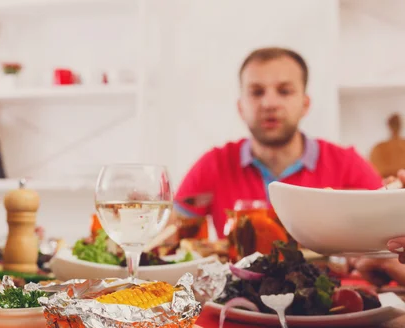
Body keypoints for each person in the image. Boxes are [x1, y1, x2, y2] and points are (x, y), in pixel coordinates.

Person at [173, 47, 383, 239]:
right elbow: (167, 238)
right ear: (240, 107)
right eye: (256, 92)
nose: (269, 103)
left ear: (305, 104)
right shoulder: (214, 164)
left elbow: (387, 238)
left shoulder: (347, 165)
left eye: (284, 91)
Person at [369, 113, 405, 178]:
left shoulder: (378, 148)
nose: (395, 126)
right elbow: (374, 171)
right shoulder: (379, 148)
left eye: (396, 123)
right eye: (394, 123)